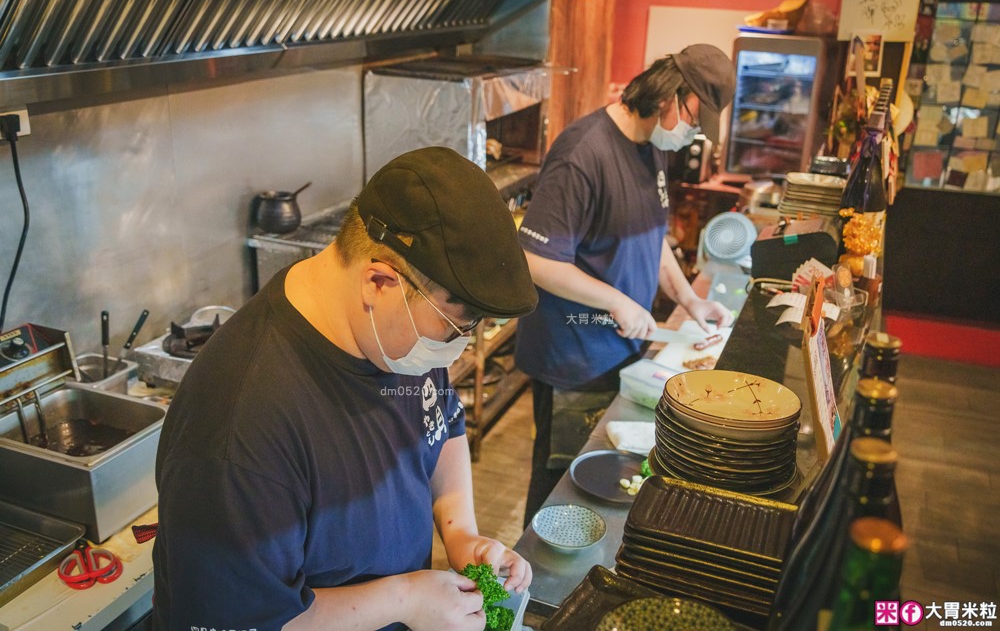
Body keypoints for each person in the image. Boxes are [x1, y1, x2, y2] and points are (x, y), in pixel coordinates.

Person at [153, 147, 538, 631]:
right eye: (455, 328)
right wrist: (406, 600)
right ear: (379, 282)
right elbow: (249, 621)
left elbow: (443, 428)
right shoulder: (239, 428)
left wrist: (462, 535)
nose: (461, 348)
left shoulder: (395, 337)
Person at [514, 44, 738, 526]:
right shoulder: (583, 153)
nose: (694, 135)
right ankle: (533, 590)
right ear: (671, 98)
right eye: (695, 121)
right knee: (564, 486)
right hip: (575, 354)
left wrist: (688, 299)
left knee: (607, 484)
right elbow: (534, 259)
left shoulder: (649, 147)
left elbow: (651, 236)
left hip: (620, 351)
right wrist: (617, 301)